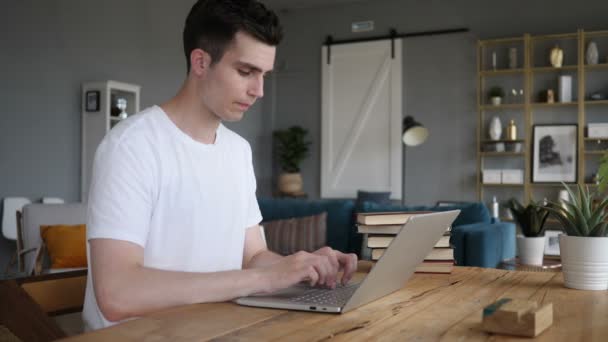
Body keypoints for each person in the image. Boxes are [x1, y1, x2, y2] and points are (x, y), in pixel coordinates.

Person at [83, 0, 358, 331]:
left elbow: (254, 257)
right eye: (245, 72)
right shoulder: (132, 147)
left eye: (264, 75)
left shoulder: (237, 151)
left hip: (221, 330)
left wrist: (303, 265)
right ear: (200, 61)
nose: (258, 91)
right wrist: (259, 279)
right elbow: (117, 294)